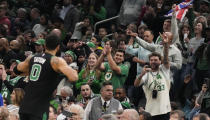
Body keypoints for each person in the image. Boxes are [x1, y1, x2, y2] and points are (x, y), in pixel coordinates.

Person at [13, 33, 78, 120]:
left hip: (25, 106)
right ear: (58, 47)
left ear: (44, 45)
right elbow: (74, 77)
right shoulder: (56, 60)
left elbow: (16, 71)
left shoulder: (32, 57)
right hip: (39, 108)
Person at [134, 32, 171, 119]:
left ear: (160, 61)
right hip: (151, 111)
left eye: (155, 60)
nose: (153, 61)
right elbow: (136, 84)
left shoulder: (164, 70)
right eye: (151, 60)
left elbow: (165, 59)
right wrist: (141, 75)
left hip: (164, 110)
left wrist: (165, 45)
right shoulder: (146, 74)